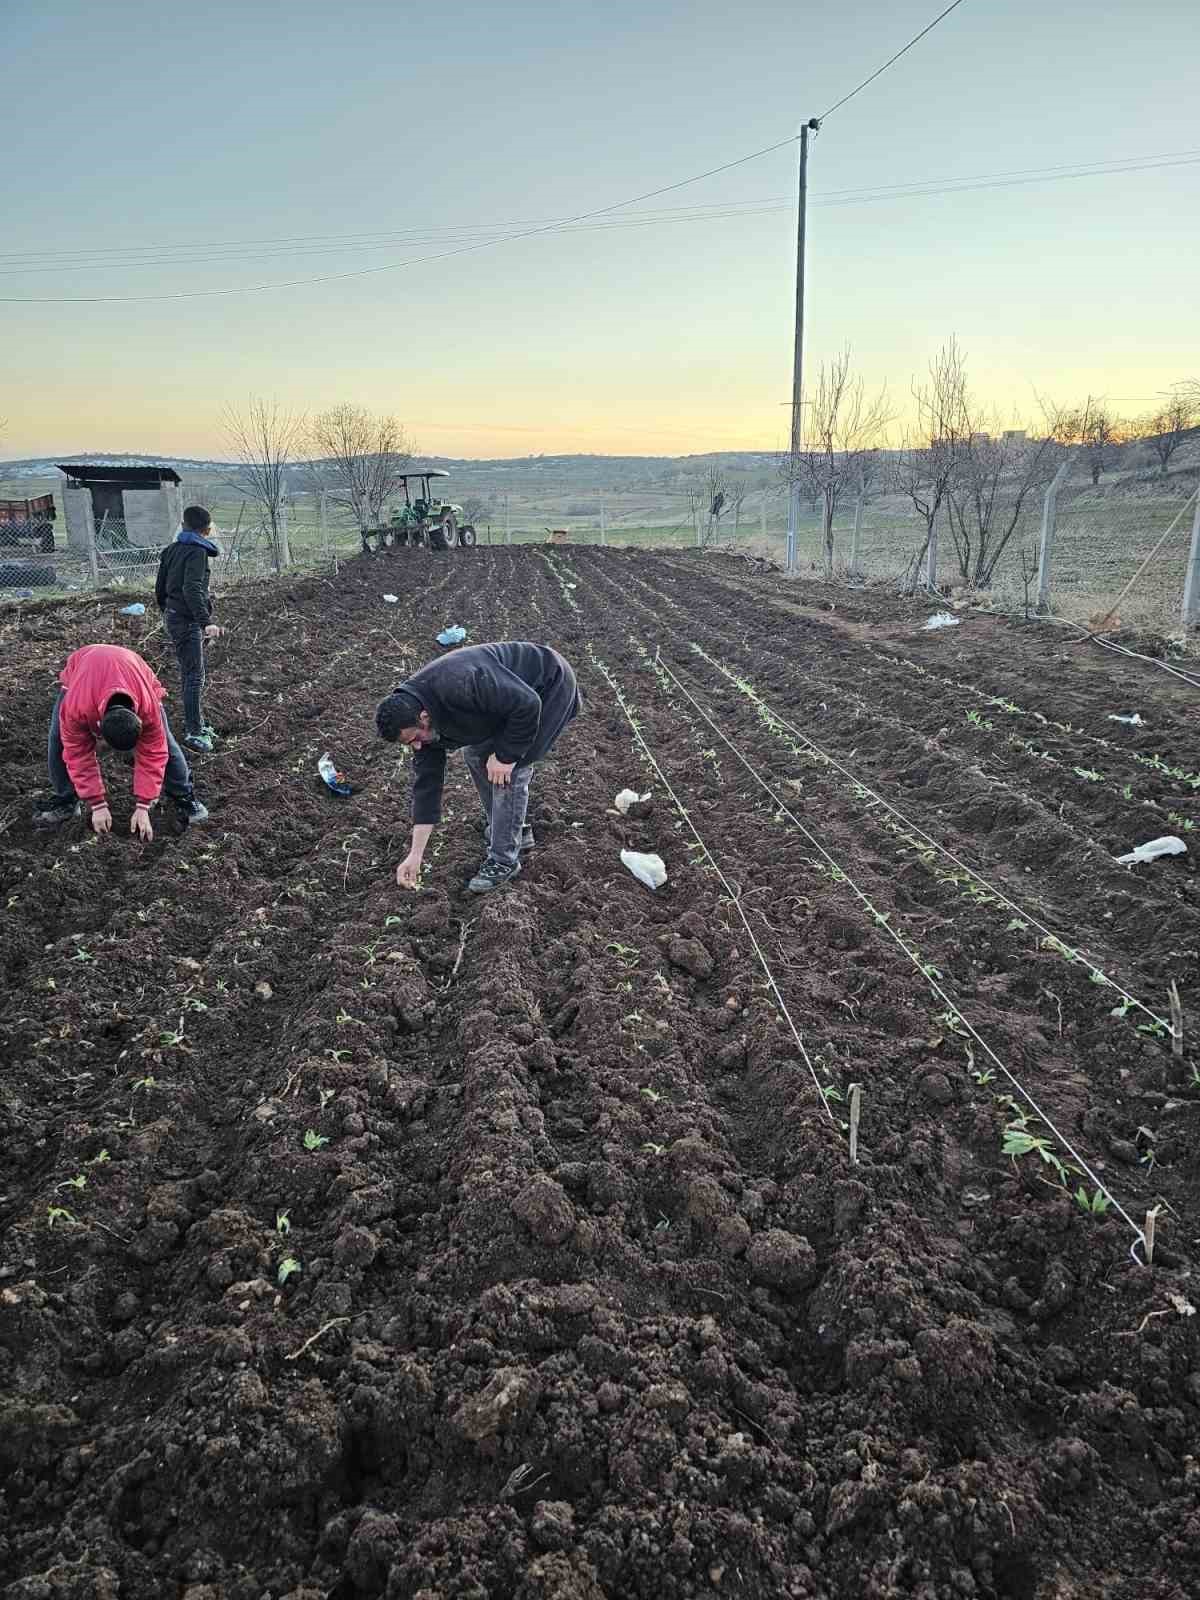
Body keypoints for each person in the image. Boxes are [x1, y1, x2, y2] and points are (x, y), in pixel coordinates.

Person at [376, 641, 580, 894]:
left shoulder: (462, 681)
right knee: (475, 755)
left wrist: (506, 756)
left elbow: (528, 704)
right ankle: (511, 830)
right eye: (409, 744)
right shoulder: (419, 721)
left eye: (415, 738)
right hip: (508, 703)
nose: (417, 747)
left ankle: (504, 860)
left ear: (424, 717)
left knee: (510, 770)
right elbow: (427, 788)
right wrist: (415, 855)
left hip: (548, 685)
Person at [33, 643, 209, 838]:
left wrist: (143, 806)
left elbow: (154, 752)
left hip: (134, 670)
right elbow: (77, 753)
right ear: (99, 730)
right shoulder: (76, 706)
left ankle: (184, 797)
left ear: (139, 720)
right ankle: (66, 800)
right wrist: (97, 804)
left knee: (165, 742)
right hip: (85, 668)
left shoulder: (148, 708)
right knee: (58, 739)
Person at [155, 504, 222, 754]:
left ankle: (197, 724)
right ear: (206, 529)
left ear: (183, 525)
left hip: (174, 617)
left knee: (188, 673)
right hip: (187, 620)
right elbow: (192, 589)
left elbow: (160, 588)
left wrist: (168, 610)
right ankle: (194, 732)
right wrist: (207, 622)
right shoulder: (197, 553)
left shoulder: (171, 550)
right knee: (194, 675)